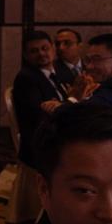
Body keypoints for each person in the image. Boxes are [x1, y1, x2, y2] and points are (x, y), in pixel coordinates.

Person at [12, 31, 72, 169]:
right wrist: (69, 103)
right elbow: (38, 116)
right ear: (25, 55)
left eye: (45, 48)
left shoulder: (61, 70)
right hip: (43, 143)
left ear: (53, 48)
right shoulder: (26, 78)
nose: (41, 54)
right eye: (34, 51)